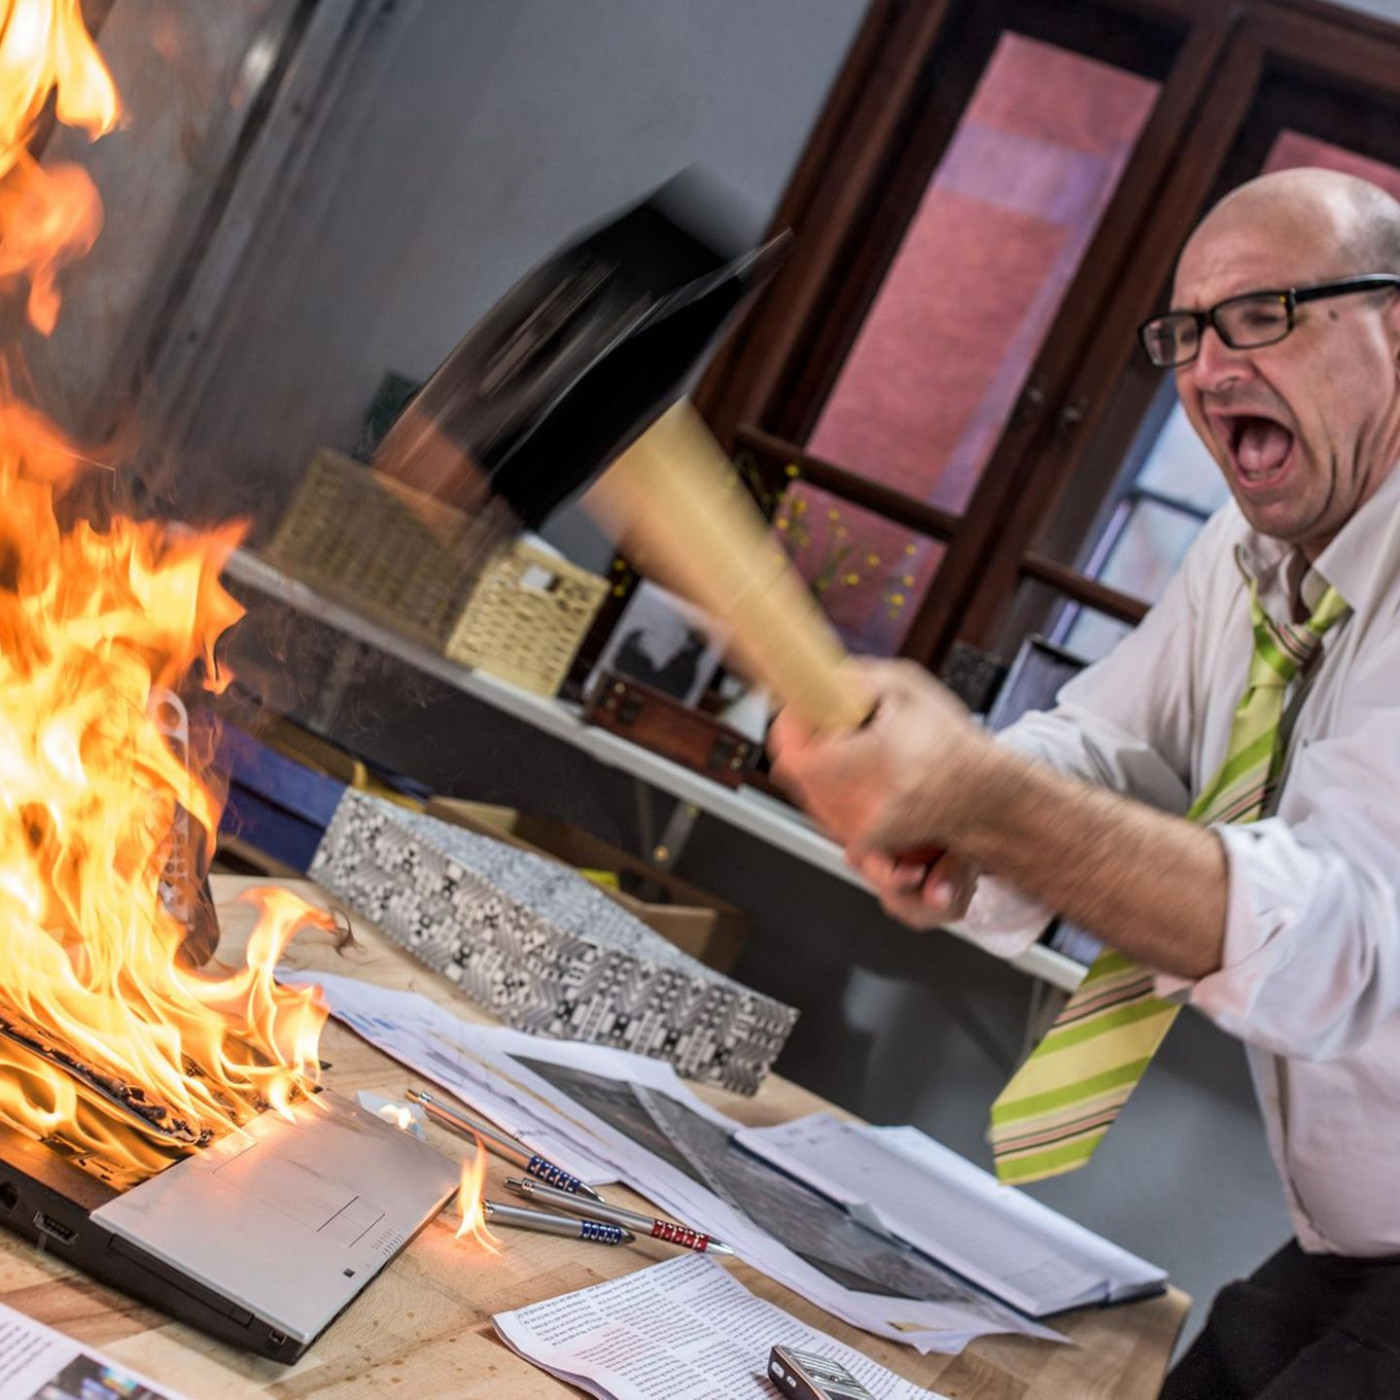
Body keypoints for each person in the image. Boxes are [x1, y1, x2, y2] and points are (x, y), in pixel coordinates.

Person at [767, 166, 1400, 1399]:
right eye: (1185, 331)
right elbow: (1101, 744)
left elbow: (1342, 938)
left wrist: (983, 802)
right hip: (1351, 1241)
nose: (1209, 368)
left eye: (1263, 312)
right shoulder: (1244, 548)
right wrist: (957, 805)